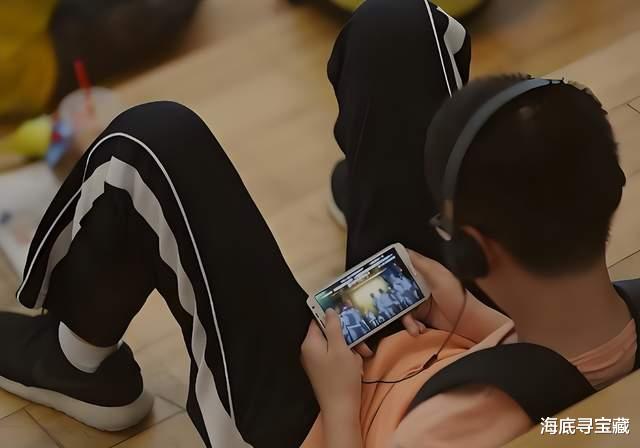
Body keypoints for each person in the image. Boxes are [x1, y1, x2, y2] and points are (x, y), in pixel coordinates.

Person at [0, 2, 636, 448]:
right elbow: (583, 417)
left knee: (148, 145)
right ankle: (368, 194)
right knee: (399, 27)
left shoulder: (449, 430)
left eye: (441, 216)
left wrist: (338, 398)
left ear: (473, 249)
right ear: (611, 184)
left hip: (313, 419)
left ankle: (76, 360)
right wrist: (467, 310)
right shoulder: (610, 343)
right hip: (451, 339)